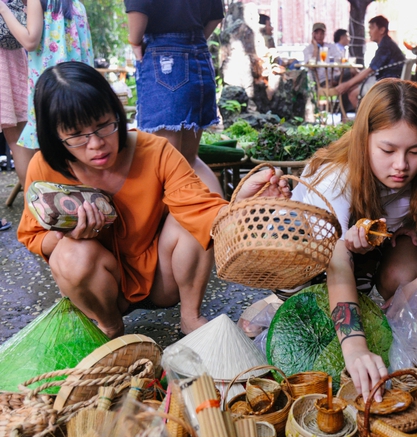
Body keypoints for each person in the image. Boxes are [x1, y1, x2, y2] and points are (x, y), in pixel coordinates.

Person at [16, 62, 290, 339]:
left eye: (103, 126)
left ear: (118, 114)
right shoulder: (44, 167)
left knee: (190, 221)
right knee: (68, 254)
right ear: (55, 137)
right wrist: (67, 236)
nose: (96, 144)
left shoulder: (156, 151)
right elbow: (33, 236)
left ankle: (190, 316)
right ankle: (109, 327)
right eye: (76, 136)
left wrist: (242, 204)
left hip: (161, 279)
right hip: (100, 286)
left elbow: (201, 208)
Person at [292, 79, 417, 401]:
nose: (401, 165)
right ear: (364, 141)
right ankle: (273, 304)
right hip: (306, 255)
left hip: (362, 252)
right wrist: (355, 346)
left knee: (411, 261)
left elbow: (410, 214)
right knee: (317, 305)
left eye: (414, 151)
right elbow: (335, 262)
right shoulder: (336, 179)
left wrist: (404, 226)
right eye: (388, 150)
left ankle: (374, 303)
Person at [125, 0, 224, 196]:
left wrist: (134, 41)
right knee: (189, 159)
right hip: (199, 53)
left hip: (164, 56)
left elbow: (138, 8)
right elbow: (216, 15)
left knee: (164, 160)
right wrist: (192, 43)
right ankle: (223, 221)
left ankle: (166, 225)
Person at [0, 0, 94, 180]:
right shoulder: (75, 4)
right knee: (74, 142)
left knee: (47, 152)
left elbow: (29, 41)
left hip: (49, 85)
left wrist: (3, 9)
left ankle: (43, 201)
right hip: (78, 85)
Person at [335, 15, 406, 109]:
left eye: (372, 28)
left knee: (353, 94)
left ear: (382, 30)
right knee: (352, 87)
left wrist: (346, 84)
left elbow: (370, 70)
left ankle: (365, 122)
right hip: (389, 80)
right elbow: (372, 69)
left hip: (387, 84)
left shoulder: (385, 47)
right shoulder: (387, 44)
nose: (369, 32)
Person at [0, 1, 28, 188]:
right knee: (24, 141)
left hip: (10, 61)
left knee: (20, 141)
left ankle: (32, 202)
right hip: (13, 60)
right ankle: (34, 204)